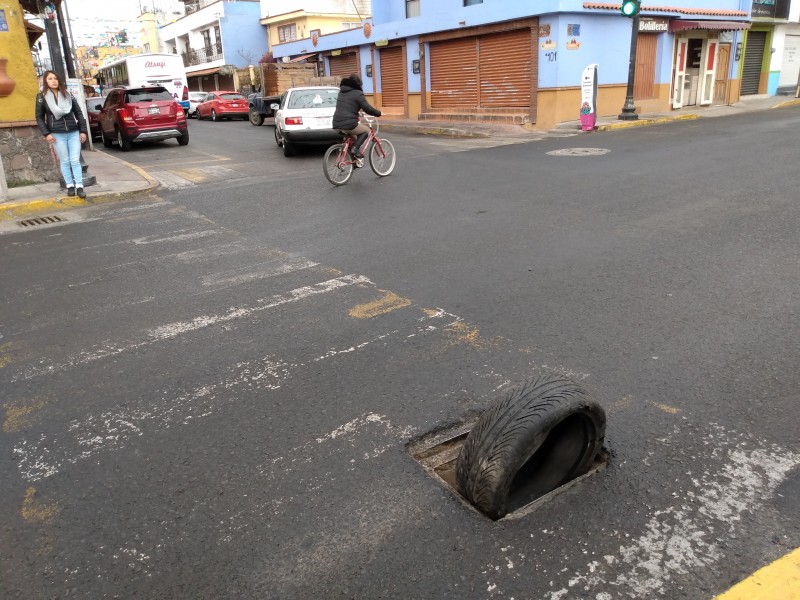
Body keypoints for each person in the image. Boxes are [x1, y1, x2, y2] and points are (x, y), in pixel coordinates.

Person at [35, 70, 88, 198]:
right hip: (56, 134)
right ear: (46, 82)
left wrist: (82, 131)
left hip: (73, 132)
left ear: (59, 80)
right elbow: (39, 117)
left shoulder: (68, 95)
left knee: (75, 160)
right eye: (50, 79)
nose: (53, 81)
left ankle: (79, 186)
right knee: (65, 160)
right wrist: (46, 133)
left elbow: (79, 114)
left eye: (55, 78)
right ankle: (70, 186)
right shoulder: (42, 97)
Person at [332, 73, 381, 165]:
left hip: (336, 123)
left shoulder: (341, 91)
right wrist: (378, 113)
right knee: (366, 131)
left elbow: (348, 106)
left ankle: (354, 161)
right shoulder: (358, 93)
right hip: (349, 124)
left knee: (354, 140)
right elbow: (367, 108)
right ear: (358, 84)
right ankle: (355, 149)